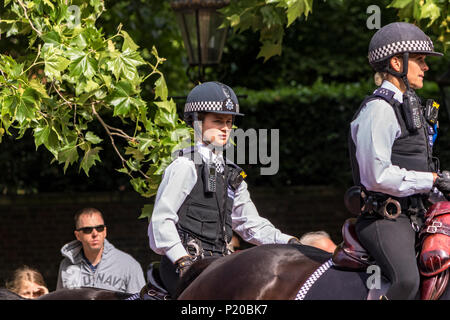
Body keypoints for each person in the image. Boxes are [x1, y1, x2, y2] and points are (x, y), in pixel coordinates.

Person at [148, 81, 301, 297]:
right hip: (182, 266)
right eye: (217, 121)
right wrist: (182, 260)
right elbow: (161, 220)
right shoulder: (184, 166)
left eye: (229, 122)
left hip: (218, 265)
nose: (225, 128)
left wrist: (287, 241)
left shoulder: (232, 174)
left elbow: (250, 223)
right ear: (197, 122)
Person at [349, 22, 450, 300]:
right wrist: (431, 180)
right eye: (419, 60)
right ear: (396, 62)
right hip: (385, 218)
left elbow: (419, 168)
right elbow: (376, 176)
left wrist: (441, 184)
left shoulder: (412, 107)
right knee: (407, 281)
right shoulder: (378, 110)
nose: (425, 67)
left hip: (417, 214)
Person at [57, 207, 145, 293]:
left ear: (105, 231)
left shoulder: (128, 265)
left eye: (99, 228)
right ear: (78, 235)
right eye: (87, 230)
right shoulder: (66, 265)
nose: (95, 234)